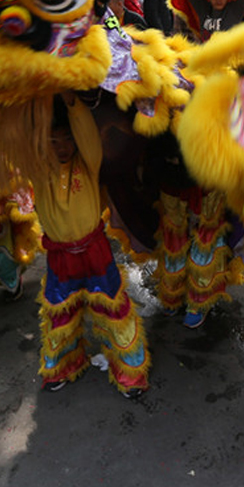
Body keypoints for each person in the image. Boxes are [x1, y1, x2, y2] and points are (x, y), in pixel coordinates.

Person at [33, 95, 150, 398]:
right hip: (60, 258)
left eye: (67, 140)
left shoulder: (88, 162)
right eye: (53, 141)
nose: (61, 147)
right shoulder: (38, 169)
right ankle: (62, 366)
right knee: (60, 315)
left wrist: (72, 102)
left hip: (95, 251)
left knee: (113, 311)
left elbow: (85, 134)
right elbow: (23, 139)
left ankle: (129, 373)